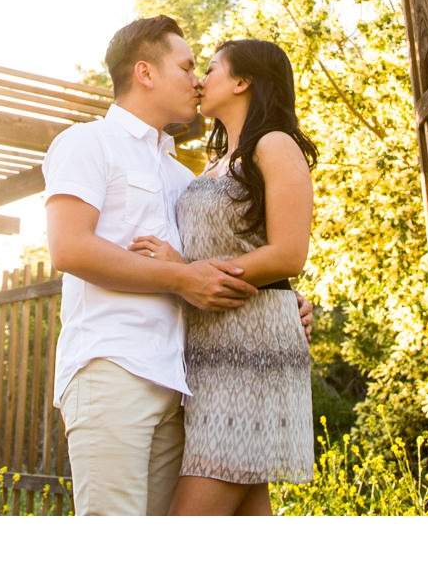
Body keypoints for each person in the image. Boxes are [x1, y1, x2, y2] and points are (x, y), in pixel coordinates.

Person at [43, 16, 310, 516]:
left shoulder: (178, 174)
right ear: (145, 73)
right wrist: (185, 277)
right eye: (188, 66)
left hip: (181, 382)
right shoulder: (88, 143)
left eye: (204, 68)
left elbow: (226, 254)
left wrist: (274, 296)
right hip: (112, 367)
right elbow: (70, 250)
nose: (196, 79)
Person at [129, 39, 316, 515]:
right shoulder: (214, 165)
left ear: (241, 81)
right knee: (245, 507)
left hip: (253, 348)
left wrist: (185, 270)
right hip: (208, 350)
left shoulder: (274, 144)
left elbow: (289, 253)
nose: (199, 79)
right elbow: (233, 246)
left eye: (210, 69)